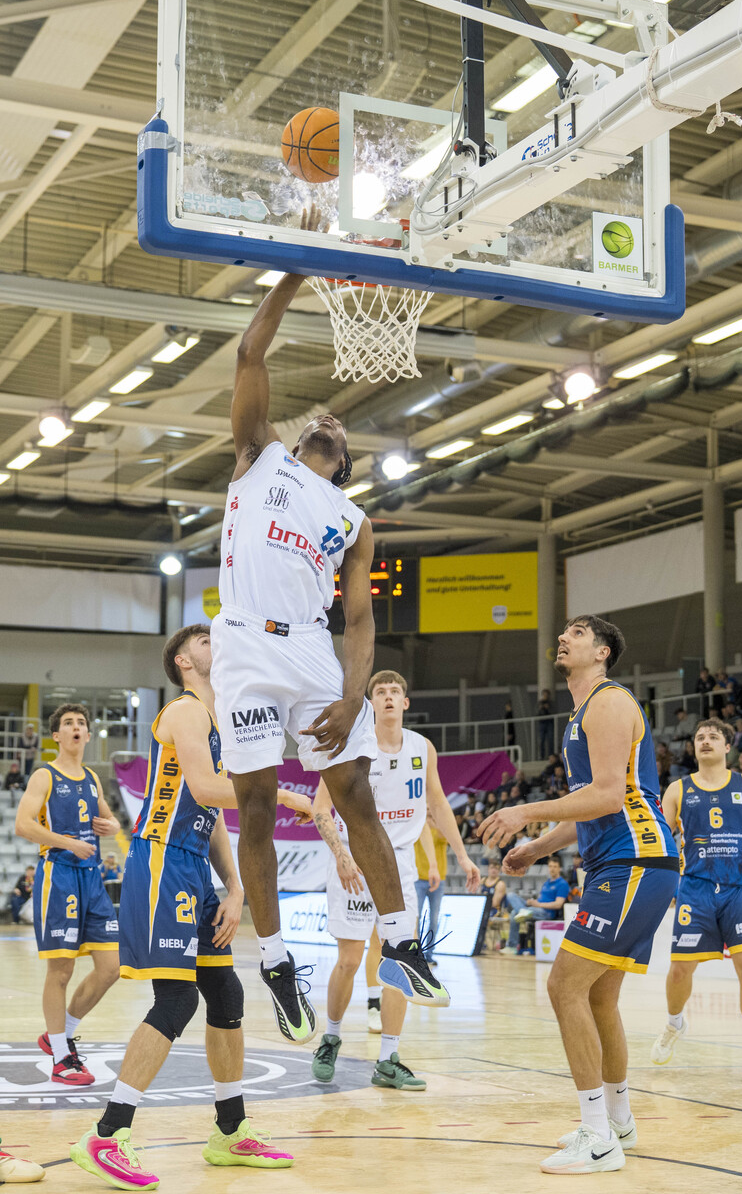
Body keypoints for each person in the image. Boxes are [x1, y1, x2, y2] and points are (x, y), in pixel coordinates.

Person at [209, 209, 447, 1039]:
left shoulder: (352, 519)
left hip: (313, 652)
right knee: (257, 807)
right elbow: (250, 354)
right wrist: (297, 269)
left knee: (355, 799)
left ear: (342, 462)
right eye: (321, 420)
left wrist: (353, 697)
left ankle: (404, 940)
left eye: (339, 428)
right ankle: (277, 962)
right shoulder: (258, 457)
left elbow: (360, 620)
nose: (327, 420)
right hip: (244, 641)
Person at [70, 625, 313, 1189]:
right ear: (183, 660)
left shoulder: (217, 718)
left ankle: (229, 1131)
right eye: (204, 640)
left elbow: (212, 816)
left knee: (225, 994)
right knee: (177, 999)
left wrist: (235, 888)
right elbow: (205, 789)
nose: (215, 643)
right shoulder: (184, 711)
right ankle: (106, 1135)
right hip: (160, 862)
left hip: (193, 865)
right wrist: (284, 794)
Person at [478, 615, 679, 1174]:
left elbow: (610, 796)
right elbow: (592, 804)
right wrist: (538, 847)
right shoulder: (581, 712)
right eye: (564, 631)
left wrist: (524, 811)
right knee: (597, 998)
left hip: (634, 861)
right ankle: (618, 1121)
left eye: (578, 633)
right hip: (624, 862)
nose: (564, 637)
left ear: (603, 651)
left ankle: (597, 1137)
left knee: (564, 985)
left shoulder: (609, 701)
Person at [309, 670, 480, 1090]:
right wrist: (341, 855)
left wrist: (462, 856)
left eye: (395, 691)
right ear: (371, 704)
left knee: (400, 962)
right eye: (381, 691)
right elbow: (320, 808)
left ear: (405, 702)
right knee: (350, 960)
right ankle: (331, 1038)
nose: (388, 696)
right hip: (354, 860)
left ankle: (388, 1059)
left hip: (400, 865)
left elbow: (437, 803)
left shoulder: (423, 747)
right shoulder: (351, 746)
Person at [651, 718, 742, 1084]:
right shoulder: (678, 789)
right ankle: (675, 1023)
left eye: (713, 736)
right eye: (700, 737)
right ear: (694, 747)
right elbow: (662, 840)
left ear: (728, 747)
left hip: (738, 887)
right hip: (694, 888)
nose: (705, 741)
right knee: (679, 971)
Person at [14, 704, 120, 1085]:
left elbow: (110, 819)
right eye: (68, 723)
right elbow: (22, 824)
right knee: (61, 970)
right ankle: (62, 1059)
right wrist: (67, 842)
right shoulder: (44, 775)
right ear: (56, 735)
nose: (76, 727)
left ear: (88, 735)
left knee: (111, 967)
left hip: (91, 880)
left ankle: (60, 1034)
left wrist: (113, 826)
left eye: (81, 723)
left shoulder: (91, 778)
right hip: (58, 875)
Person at [414, 823, 448, 966]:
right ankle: (416, 953)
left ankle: (429, 954)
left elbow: (444, 836)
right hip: (418, 879)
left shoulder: (439, 830)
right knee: (416, 918)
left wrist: (436, 821)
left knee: (434, 919)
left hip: (438, 880)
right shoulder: (417, 829)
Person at [537, 689, 555, 759]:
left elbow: (554, 712)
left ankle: (551, 755)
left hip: (549, 722)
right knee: (541, 740)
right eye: (544, 695)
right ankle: (541, 756)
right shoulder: (539, 703)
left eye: (546, 695)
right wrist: (540, 708)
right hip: (542, 723)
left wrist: (548, 708)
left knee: (550, 739)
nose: (545, 696)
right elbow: (536, 713)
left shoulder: (551, 703)